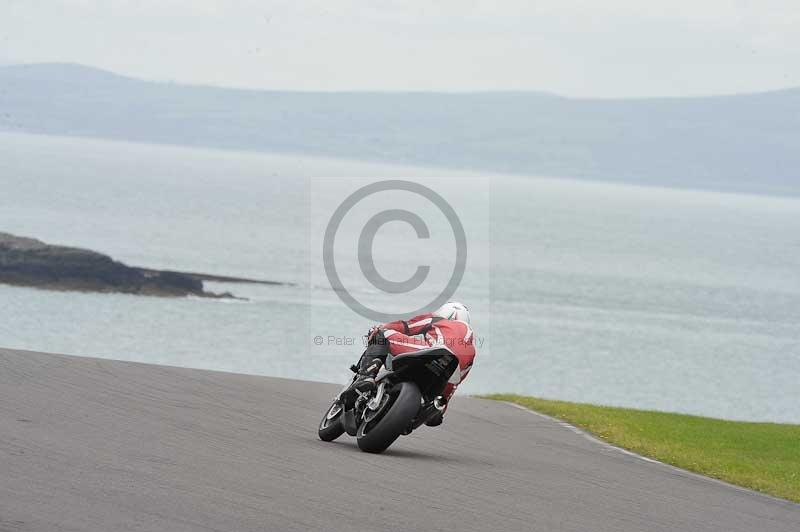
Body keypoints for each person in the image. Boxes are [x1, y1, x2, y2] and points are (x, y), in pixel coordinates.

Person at [346, 301, 476, 427]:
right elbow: (453, 384)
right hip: (443, 376)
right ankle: (425, 411)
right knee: (437, 403)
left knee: (382, 335)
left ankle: (366, 376)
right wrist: (439, 410)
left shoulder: (438, 319)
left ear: (446, 312)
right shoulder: (472, 347)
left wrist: (380, 328)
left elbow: (406, 326)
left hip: (431, 352)